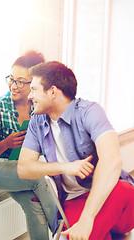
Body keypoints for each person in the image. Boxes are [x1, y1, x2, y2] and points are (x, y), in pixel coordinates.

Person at [17, 61, 134, 240]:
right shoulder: (37, 121)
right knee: (84, 234)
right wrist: (66, 167)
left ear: (53, 91)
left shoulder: (90, 111)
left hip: (111, 194)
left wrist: (87, 219)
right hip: (74, 200)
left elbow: (113, 160)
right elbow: (24, 169)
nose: (29, 96)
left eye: (34, 89)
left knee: (124, 189)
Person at [0, 50, 56, 240]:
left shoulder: (38, 108)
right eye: (11, 79)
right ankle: (66, 231)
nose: (13, 86)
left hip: (20, 169)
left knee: (34, 205)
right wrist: (7, 143)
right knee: (38, 177)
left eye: (21, 82)